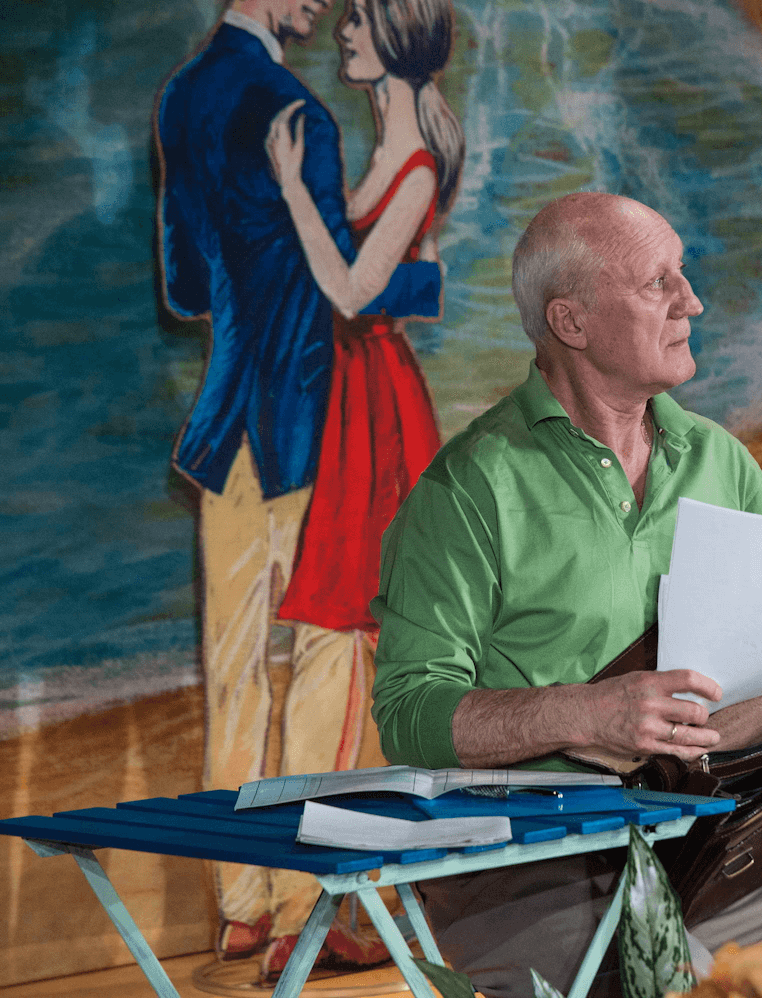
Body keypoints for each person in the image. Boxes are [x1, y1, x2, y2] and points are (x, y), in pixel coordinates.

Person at [370, 192, 762, 997]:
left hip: (713, 851)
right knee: (671, 981)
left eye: (682, 276)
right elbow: (409, 714)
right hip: (531, 874)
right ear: (571, 322)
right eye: (658, 282)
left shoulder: (716, 458)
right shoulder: (466, 490)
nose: (691, 301)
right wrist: (586, 713)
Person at [155, 0, 437, 977]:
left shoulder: (182, 96)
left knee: (232, 667)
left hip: (224, 427)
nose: (321, 5)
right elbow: (340, 290)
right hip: (313, 427)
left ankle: (240, 902)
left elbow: (186, 286)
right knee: (327, 658)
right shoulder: (298, 115)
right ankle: (303, 908)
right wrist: (421, 285)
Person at [264, 0, 459, 853]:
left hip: (381, 407)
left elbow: (349, 291)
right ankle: (347, 840)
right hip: (356, 392)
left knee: (368, 610)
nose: (344, 32)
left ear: (397, 39)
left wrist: (292, 192)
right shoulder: (386, 156)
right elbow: (401, 286)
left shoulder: (414, 169)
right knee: (355, 613)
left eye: (360, 22)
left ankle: (366, 842)